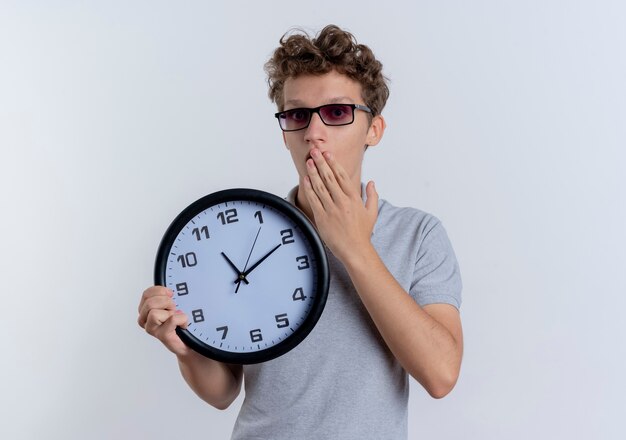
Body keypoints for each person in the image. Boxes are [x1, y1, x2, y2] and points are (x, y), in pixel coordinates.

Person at [138, 24, 463, 439]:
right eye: (297, 115)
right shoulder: (243, 231)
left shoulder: (417, 234)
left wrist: (354, 247)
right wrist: (183, 347)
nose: (314, 133)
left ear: (374, 130)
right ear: (285, 130)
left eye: (337, 112)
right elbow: (222, 393)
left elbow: (441, 374)